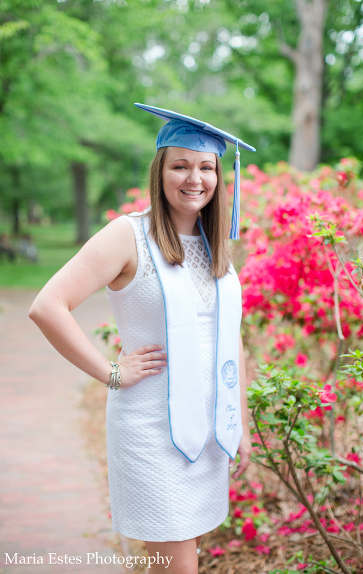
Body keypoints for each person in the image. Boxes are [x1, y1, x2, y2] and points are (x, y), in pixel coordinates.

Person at [29, 103, 256, 572]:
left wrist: (242, 424)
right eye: (181, 165)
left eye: (206, 167)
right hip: (151, 431)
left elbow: (229, 337)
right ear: (160, 171)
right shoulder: (127, 236)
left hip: (208, 431)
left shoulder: (216, 250)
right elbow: (47, 306)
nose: (195, 179)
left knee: (166, 564)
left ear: (218, 176)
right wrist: (111, 372)